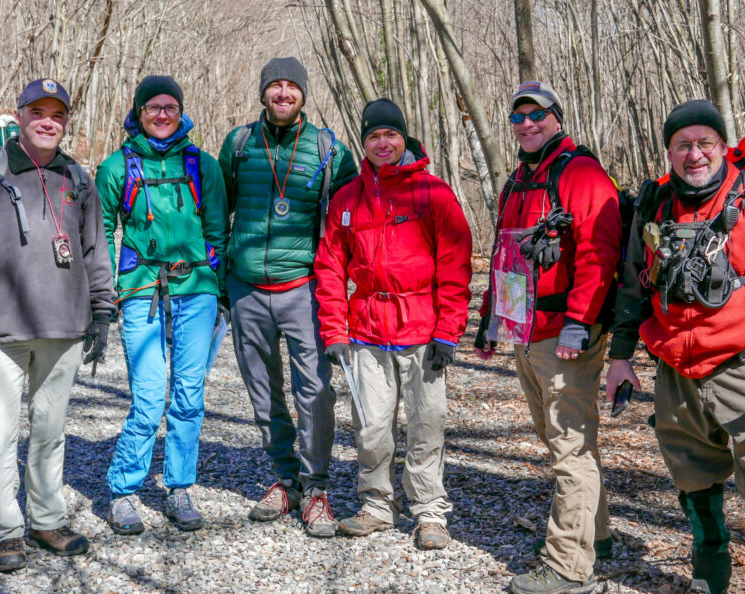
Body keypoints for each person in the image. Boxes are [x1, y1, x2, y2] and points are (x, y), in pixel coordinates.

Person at [607, 99, 745, 594]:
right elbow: (633, 285)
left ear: (723, 147)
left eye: (705, 143)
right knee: (693, 482)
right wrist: (619, 356)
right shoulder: (654, 204)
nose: (694, 154)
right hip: (675, 374)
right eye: (683, 145)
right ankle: (709, 581)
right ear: (669, 152)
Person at [0, 79, 115, 572]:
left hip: (64, 331)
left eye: (56, 114)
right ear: (19, 116)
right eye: (37, 111)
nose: (47, 121)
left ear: (65, 122)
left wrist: (101, 313)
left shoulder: (78, 178)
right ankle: (6, 532)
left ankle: (46, 520)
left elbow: (96, 251)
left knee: (50, 432)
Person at [474, 81, 620, 593]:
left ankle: (566, 568)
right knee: (559, 439)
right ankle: (594, 537)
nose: (527, 123)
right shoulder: (517, 181)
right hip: (525, 332)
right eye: (518, 117)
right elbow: (504, 256)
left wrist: (580, 321)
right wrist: (491, 319)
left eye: (537, 114)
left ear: (557, 117)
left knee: (569, 449)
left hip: (565, 336)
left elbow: (599, 253)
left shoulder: (579, 172)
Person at [315, 98, 472, 550]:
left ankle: (429, 512)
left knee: (427, 424)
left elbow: (456, 265)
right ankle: (377, 504)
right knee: (370, 426)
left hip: (423, 330)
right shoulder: (348, 198)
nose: (382, 144)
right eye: (373, 137)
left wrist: (448, 331)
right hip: (366, 331)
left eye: (390, 135)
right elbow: (329, 266)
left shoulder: (433, 193)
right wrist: (334, 330)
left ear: (403, 138)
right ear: (363, 143)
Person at [217, 57, 357, 538]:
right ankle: (285, 479)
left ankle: (316, 487)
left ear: (303, 94)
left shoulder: (329, 150)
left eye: (291, 86)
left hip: (304, 288)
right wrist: (222, 283)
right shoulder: (238, 145)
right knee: (263, 393)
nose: (282, 93)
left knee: (315, 393)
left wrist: (343, 291)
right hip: (247, 288)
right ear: (263, 93)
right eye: (274, 85)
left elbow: (347, 227)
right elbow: (220, 214)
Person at [96, 76, 228, 535]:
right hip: (140, 291)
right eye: (153, 107)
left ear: (181, 111)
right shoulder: (117, 166)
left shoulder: (202, 165)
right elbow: (100, 236)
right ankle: (124, 490)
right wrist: (104, 294)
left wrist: (219, 286)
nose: (162, 115)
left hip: (196, 290)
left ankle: (179, 487)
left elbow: (217, 232)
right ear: (139, 111)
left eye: (170, 107)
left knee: (189, 395)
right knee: (150, 397)